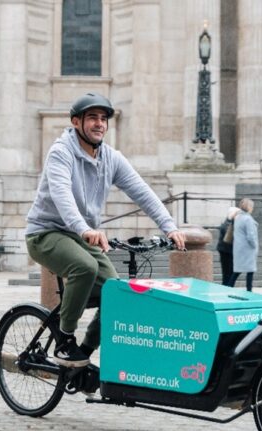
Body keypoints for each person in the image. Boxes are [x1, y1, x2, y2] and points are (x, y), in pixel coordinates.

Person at [25, 93, 186, 367]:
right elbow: (62, 195)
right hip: (45, 233)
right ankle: (65, 341)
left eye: (103, 119)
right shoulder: (61, 152)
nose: (99, 124)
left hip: (81, 236)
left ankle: (83, 355)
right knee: (85, 267)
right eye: (92, 118)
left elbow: (142, 192)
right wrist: (84, 228)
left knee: (117, 295)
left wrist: (169, 226)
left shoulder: (111, 158)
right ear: (76, 122)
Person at [228, 198, 259, 291]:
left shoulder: (238, 217)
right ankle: (249, 291)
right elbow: (251, 236)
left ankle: (229, 287)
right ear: (249, 207)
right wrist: (254, 245)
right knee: (250, 271)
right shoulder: (248, 219)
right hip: (247, 249)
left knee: (237, 270)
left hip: (239, 248)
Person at [216, 206, 239, 286]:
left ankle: (227, 286)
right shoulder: (228, 223)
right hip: (227, 251)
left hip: (227, 251)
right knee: (228, 272)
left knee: (228, 273)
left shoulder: (228, 222)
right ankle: (227, 287)